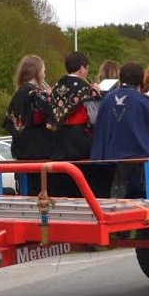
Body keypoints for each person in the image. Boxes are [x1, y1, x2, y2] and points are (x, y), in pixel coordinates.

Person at [92, 62, 149, 199]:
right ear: (140, 79)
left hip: (111, 149)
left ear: (121, 77)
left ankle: (117, 196)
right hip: (136, 149)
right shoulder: (143, 100)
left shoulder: (107, 98)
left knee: (123, 169)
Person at [47, 51, 101, 198]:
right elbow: (95, 117)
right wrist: (97, 93)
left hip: (58, 138)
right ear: (82, 68)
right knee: (83, 178)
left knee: (63, 178)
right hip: (79, 138)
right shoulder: (85, 88)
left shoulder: (57, 86)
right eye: (87, 69)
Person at [3, 55, 53, 194]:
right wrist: (51, 97)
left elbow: (9, 123)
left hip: (21, 152)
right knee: (40, 194)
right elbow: (52, 119)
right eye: (43, 70)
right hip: (38, 153)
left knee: (26, 193)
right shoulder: (37, 94)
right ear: (36, 72)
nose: (45, 74)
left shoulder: (18, 93)